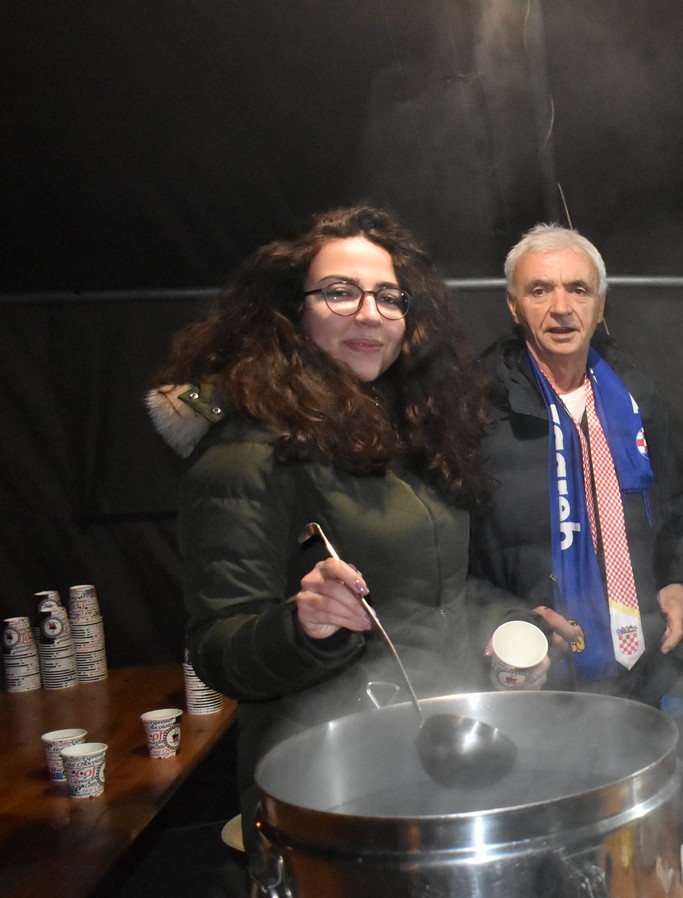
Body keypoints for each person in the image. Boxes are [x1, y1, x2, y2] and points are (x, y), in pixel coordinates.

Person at [148, 205, 539, 824]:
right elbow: (218, 651)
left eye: (390, 297)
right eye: (340, 293)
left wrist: (506, 624)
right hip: (328, 788)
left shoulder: (410, 427)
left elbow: (433, 595)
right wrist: (305, 627)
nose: (369, 314)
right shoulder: (247, 451)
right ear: (291, 310)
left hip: (436, 760)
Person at [470, 224, 683, 706]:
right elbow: (451, 560)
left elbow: (676, 505)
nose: (561, 307)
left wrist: (682, 582)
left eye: (578, 289)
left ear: (600, 305)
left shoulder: (635, 395)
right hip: (534, 667)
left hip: (641, 665)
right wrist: (505, 624)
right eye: (540, 290)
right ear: (514, 305)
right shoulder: (475, 408)